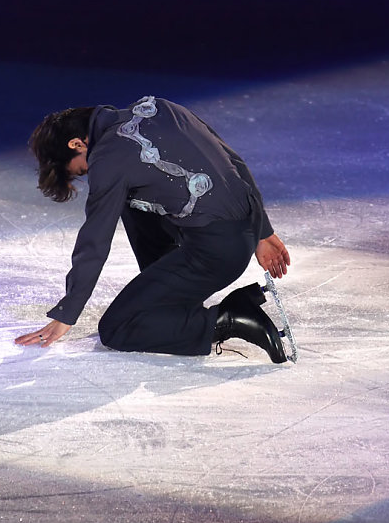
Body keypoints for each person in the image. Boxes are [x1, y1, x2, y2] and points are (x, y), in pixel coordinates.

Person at [15, 96, 290, 363]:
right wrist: (262, 231)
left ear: (77, 143)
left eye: (81, 170)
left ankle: (229, 318)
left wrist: (67, 312)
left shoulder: (108, 157)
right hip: (241, 230)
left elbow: (95, 240)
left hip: (214, 254)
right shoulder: (162, 107)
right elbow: (234, 163)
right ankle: (171, 300)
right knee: (128, 199)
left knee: (118, 327)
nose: (89, 173)